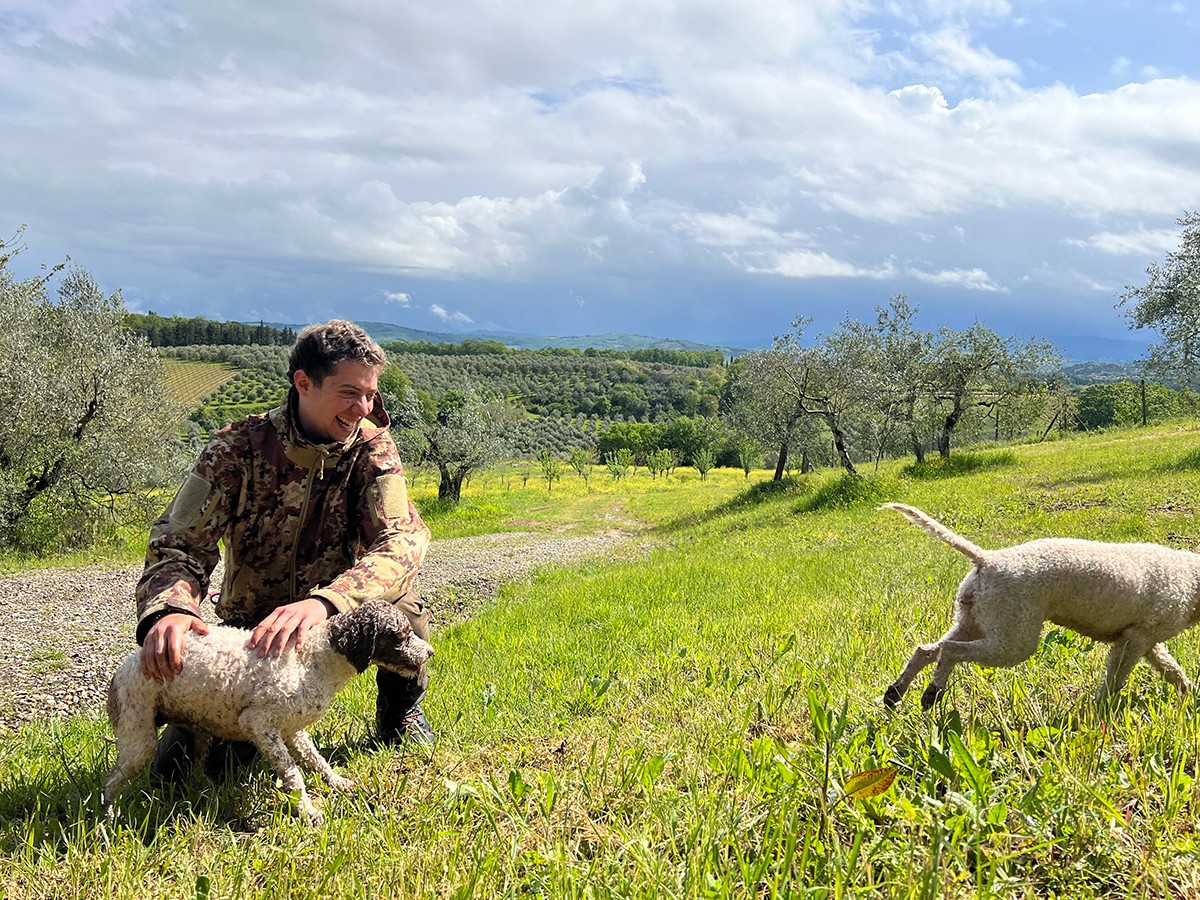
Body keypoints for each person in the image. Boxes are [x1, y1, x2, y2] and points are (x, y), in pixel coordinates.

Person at [136, 320, 433, 776]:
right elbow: (178, 543)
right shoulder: (236, 448)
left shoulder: (372, 449)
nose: (363, 408)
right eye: (349, 392)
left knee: (405, 615)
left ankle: (401, 715)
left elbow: (401, 542)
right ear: (303, 383)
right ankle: (195, 725)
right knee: (193, 771)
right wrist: (170, 610)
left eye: (371, 394)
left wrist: (327, 602)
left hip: (333, 617)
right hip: (251, 631)